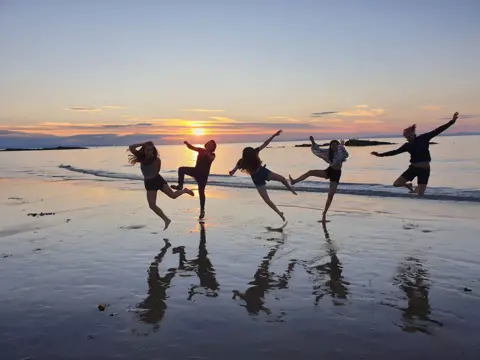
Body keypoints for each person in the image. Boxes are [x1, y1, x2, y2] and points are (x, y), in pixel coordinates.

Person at [371, 112, 459, 196]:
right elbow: (395, 152)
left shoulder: (424, 138)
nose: (407, 137)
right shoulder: (407, 146)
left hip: (425, 170)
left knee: (420, 195)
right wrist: (380, 155)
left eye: (408, 135)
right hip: (413, 168)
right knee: (396, 184)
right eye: (405, 136)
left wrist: (452, 122)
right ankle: (408, 185)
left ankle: (413, 188)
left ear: (413, 133)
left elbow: (438, 130)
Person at [229, 130, 297, 222]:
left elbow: (265, 144)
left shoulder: (255, 152)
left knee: (282, 179)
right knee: (267, 200)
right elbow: (235, 168)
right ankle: (280, 213)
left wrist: (274, 135)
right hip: (257, 179)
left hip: (263, 172)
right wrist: (232, 171)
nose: (254, 154)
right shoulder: (242, 161)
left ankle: (291, 189)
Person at [128, 141, 194, 230]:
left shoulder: (157, 160)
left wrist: (153, 177)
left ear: (153, 151)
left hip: (158, 179)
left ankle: (185, 190)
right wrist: (143, 144)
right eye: (147, 150)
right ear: (144, 150)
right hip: (149, 183)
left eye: (151, 150)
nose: (149, 152)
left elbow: (157, 170)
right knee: (152, 205)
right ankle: (166, 220)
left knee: (173, 196)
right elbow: (131, 146)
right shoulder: (141, 158)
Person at [289, 137, 349, 223]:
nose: (334, 147)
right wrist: (313, 142)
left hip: (336, 174)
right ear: (330, 146)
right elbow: (317, 150)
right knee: (310, 172)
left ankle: (324, 214)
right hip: (330, 171)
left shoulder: (341, 150)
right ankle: (294, 181)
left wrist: (342, 146)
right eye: (332, 146)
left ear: (338, 145)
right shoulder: (328, 152)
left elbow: (346, 154)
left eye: (335, 145)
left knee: (330, 195)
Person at [171, 140, 216, 220]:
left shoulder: (212, 154)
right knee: (181, 169)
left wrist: (207, 153)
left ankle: (202, 211)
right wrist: (187, 144)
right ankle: (180, 186)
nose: (209, 145)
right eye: (208, 143)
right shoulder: (201, 150)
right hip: (195, 171)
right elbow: (192, 147)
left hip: (203, 176)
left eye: (211, 145)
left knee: (201, 192)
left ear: (213, 147)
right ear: (206, 144)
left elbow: (210, 159)